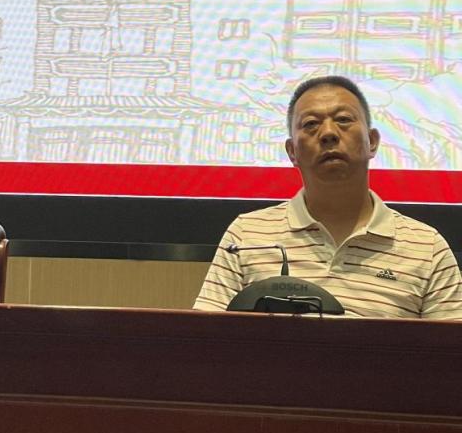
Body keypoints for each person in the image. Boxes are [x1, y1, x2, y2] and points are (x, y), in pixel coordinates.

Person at [194, 76, 462, 319]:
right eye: (311, 124)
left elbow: (449, 351)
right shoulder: (246, 235)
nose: (329, 133)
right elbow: (204, 340)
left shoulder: (427, 248)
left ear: (372, 142)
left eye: (343, 119)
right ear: (292, 151)